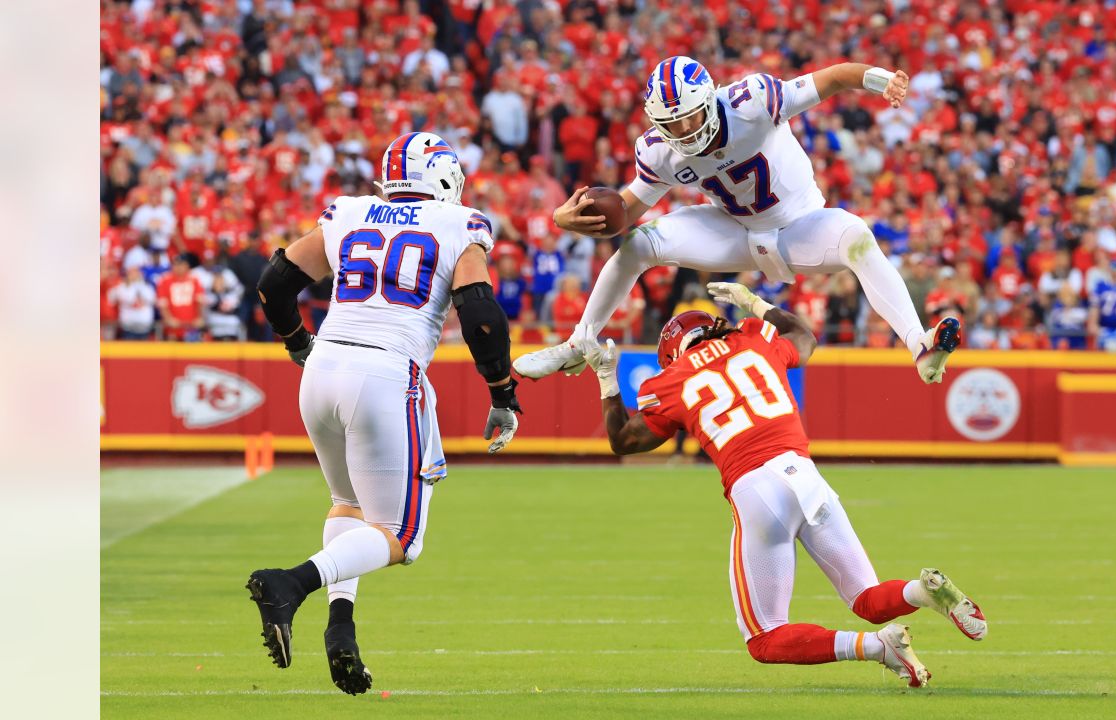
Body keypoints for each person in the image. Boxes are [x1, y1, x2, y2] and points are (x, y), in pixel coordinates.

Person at [575, 281, 982, 688]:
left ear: (674, 353)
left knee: (764, 637)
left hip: (755, 488)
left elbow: (622, 441)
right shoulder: (755, 341)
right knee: (868, 599)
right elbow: (805, 337)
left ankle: (873, 646)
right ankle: (920, 594)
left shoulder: (673, 378)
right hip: (805, 477)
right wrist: (756, 302)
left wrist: (607, 380)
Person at [245, 132, 522, 696]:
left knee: (348, 504)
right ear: (445, 176)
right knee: (401, 538)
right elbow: (481, 316)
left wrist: (299, 344)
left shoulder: (348, 211)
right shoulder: (460, 223)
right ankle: (291, 583)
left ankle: (340, 628)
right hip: (388, 375)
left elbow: (275, 285)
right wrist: (500, 390)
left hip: (323, 369)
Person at [515, 56, 960, 384]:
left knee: (857, 237)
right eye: (673, 123)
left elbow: (836, 76)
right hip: (735, 230)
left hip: (798, 224)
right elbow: (625, 213)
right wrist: (564, 218)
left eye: (690, 116)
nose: (685, 131)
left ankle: (918, 344)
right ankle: (579, 343)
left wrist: (881, 80)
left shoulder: (754, 101)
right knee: (638, 244)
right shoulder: (657, 149)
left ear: (709, 100)